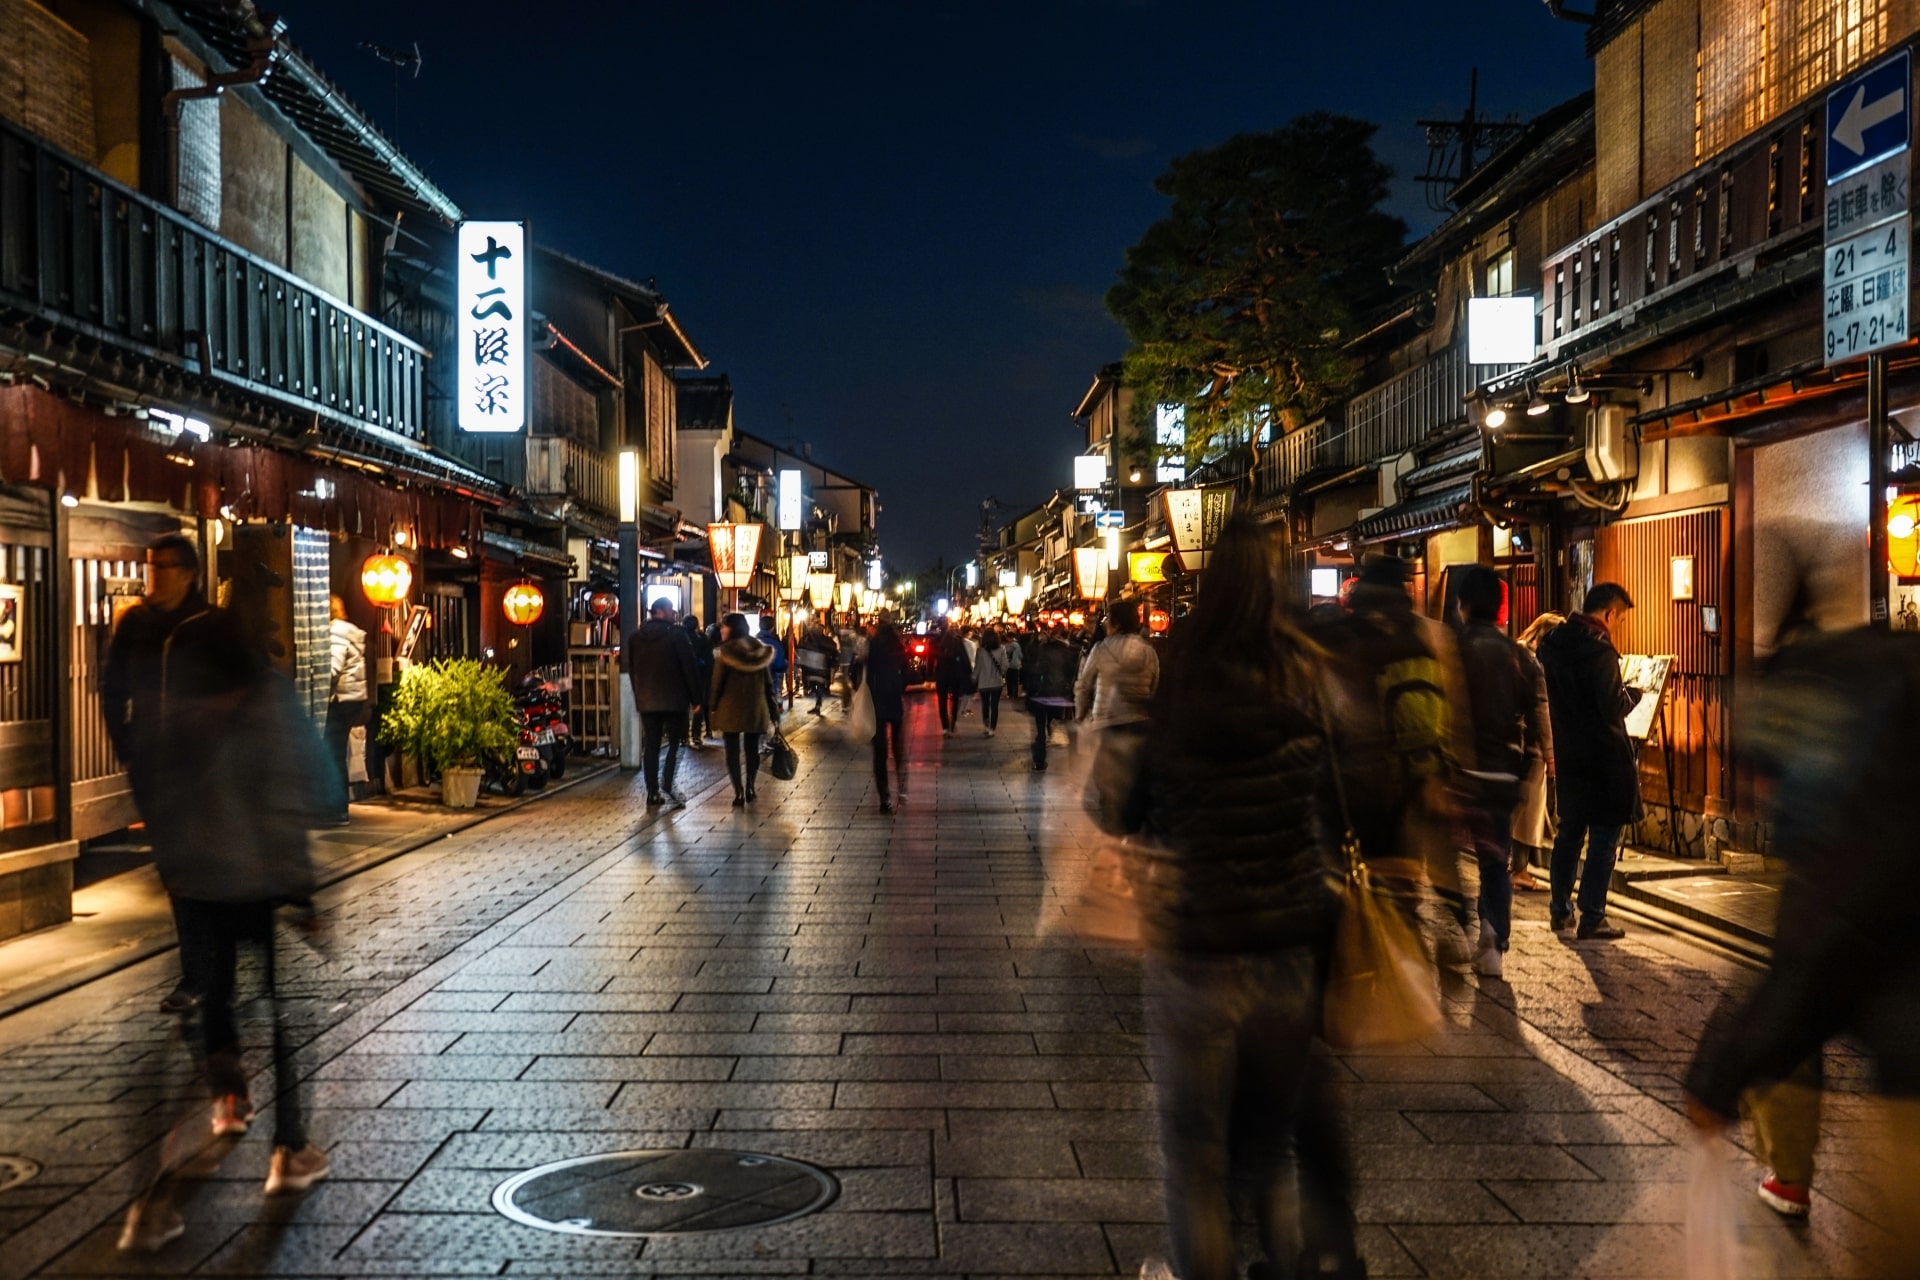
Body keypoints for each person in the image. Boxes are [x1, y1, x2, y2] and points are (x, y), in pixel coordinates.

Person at [1132, 514, 1360, 1280]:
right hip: (1287, 940)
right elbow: (1339, 792)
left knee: (1194, 1153)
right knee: (1269, 1140)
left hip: (1196, 938)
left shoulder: (1181, 670)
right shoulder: (1306, 671)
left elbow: (1132, 803)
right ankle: (1289, 1263)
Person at [1685, 624, 1920, 1261]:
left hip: (1856, 938)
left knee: (1799, 1032)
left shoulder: (1848, 794)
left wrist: (1717, 1076)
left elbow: (1815, 962)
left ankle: (1789, 1173)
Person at [103, 534, 254, 1015]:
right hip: (156, 768)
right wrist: (127, 745)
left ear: (189, 574)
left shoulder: (213, 626)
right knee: (177, 872)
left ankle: (218, 974)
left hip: (210, 769)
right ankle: (194, 974)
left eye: (166, 566)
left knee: (211, 869)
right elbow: (112, 687)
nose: (156, 575)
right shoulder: (136, 626)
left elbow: (245, 690)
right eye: (151, 565)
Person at [1451, 567, 1550, 979]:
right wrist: (1541, 761)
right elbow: (1540, 712)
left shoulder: (1452, 651)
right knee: (1495, 860)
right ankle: (1493, 937)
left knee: (1443, 857)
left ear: (1464, 605)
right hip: (1503, 774)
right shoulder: (1520, 656)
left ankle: (1462, 932)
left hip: (1458, 773)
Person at [1538, 583, 1642, 940]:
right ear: (1610, 614)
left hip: (1570, 754)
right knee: (1603, 838)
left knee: (1569, 834)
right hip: (1604, 759)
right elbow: (1612, 708)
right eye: (1621, 619)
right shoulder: (1600, 652)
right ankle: (1593, 915)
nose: (1618, 626)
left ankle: (1560, 909)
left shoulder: (1554, 645)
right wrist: (1636, 695)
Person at [1075, 601, 1159, 833]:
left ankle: (1113, 828)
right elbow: (1155, 685)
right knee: (1136, 780)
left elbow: (1083, 684)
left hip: (1108, 722)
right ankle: (1132, 829)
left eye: (1108, 618)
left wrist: (1080, 712)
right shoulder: (1148, 650)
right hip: (1140, 723)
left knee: (1106, 780)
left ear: (1116, 622)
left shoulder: (1101, 649)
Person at [622, 600, 703, 807]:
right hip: (675, 700)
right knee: (677, 743)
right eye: (670, 609)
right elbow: (689, 667)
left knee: (651, 745)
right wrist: (696, 699)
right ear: (659, 611)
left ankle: (652, 792)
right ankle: (667, 782)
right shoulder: (677, 635)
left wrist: (638, 694)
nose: (674, 613)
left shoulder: (635, 637)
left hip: (647, 700)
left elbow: (632, 669)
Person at [1511, 612, 1563, 891]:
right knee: (1527, 812)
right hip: (1529, 746)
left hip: (1507, 742)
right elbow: (1541, 710)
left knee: (1520, 810)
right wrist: (1550, 754)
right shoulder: (1534, 663)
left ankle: (1516, 867)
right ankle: (1519, 870)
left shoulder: (1513, 652)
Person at [710, 613, 775, 806]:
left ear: (733, 628)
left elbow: (717, 683)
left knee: (732, 750)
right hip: (755, 707)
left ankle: (738, 791)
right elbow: (768, 684)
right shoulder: (759, 650)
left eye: (725, 626)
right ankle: (750, 787)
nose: (722, 630)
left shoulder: (725, 652)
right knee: (752, 748)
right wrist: (773, 710)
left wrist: (712, 707)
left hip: (730, 708)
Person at [324, 595, 367, 826]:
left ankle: (337, 810)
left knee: (334, 753)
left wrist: (317, 678)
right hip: (353, 699)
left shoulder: (336, 633)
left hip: (341, 699)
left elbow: (333, 668)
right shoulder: (350, 631)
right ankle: (337, 807)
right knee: (337, 751)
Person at [862, 620, 909, 812]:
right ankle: (902, 788)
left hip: (875, 703)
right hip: (894, 702)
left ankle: (884, 797)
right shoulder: (898, 647)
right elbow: (907, 673)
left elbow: (861, 672)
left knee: (879, 752)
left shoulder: (872, 647)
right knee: (898, 748)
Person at [1024, 630, 1078, 771]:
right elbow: (1072, 673)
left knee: (1040, 730)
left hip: (1041, 696)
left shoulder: (1040, 653)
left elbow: (1033, 673)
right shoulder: (1067, 653)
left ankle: (1039, 761)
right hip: (1061, 695)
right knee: (1070, 728)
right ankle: (1074, 760)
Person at [934, 626, 974, 736]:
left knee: (942, 701)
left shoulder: (938, 642)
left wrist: (931, 674)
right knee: (955, 700)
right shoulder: (958, 643)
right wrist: (969, 673)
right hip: (955, 675)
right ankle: (952, 723)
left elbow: (932, 658)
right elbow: (965, 659)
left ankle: (945, 727)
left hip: (941, 675)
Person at [683, 615, 714, 748]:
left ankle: (683, 737)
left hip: (683, 677)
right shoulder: (703, 639)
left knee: (683, 706)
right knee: (698, 706)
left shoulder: (680, 638)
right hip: (700, 677)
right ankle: (696, 735)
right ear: (697, 625)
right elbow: (710, 660)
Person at [797, 619, 839, 716]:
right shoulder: (825, 640)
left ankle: (816, 702)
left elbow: (801, 648)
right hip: (821, 667)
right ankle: (818, 705)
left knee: (814, 685)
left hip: (810, 668)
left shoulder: (807, 639)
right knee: (819, 686)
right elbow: (833, 648)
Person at [973, 628, 1008, 737]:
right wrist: (1001, 672)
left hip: (984, 683)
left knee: (985, 705)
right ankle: (992, 729)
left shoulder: (981, 651)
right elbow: (1005, 666)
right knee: (994, 706)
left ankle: (986, 726)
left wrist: (973, 678)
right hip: (996, 683)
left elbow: (977, 668)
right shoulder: (1001, 650)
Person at [756, 615, 789, 722]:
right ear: (772, 628)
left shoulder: (753, 642)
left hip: (754, 684)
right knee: (772, 712)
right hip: (771, 683)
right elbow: (779, 666)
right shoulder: (776, 644)